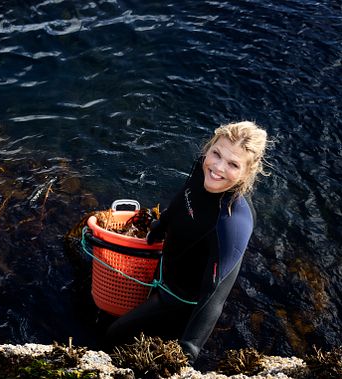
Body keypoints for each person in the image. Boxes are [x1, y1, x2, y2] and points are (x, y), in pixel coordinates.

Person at [103, 121, 268, 363]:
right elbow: (184, 196)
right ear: (209, 148)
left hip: (177, 301)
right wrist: (162, 225)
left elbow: (215, 295)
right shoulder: (203, 169)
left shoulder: (233, 221)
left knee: (113, 335)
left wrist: (189, 348)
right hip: (164, 273)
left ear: (247, 172)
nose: (218, 168)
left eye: (233, 164)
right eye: (216, 153)